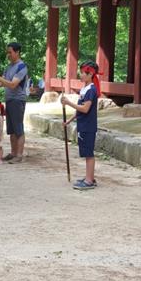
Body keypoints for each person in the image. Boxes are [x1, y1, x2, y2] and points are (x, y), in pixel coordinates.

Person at [61, 60, 100, 190]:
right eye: (81, 72)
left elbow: (85, 109)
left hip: (88, 126)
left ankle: (89, 181)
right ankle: (89, 177)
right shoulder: (84, 89)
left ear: (90, 75)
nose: (81, 75)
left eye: (84, 73)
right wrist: (69, 121)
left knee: (88, 153)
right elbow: (79, 110)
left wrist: (68, 103)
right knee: (86, 152)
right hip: (83, 125)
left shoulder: (91, 90)